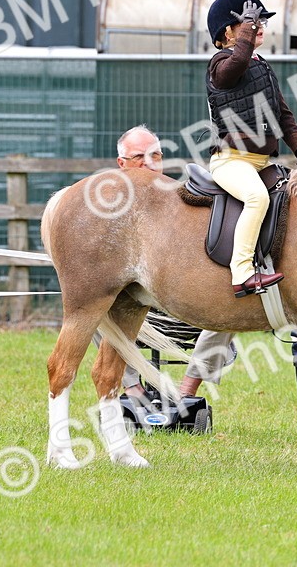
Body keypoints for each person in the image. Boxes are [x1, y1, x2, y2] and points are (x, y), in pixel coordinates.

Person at [112, 126, 237, 400]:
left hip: (188, 308)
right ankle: (133, 390)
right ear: (121, 164)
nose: (148, 163)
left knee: (234, 302)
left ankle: (185, 394)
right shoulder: (110, 213)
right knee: (96, 309)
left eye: (155, 155)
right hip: (138, 311)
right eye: (138, 157)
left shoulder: (183, 198)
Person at [205, 0, 297, 297]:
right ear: (228, 31)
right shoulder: (219, 63)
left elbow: (284, 115)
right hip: (231, 161)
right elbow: (231, 71)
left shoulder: (261, 65)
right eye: (250, 21)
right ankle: (242, 274)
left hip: (262, 162)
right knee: (256, 198)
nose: (259, 25)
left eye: (261, 20)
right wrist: (248, 36)